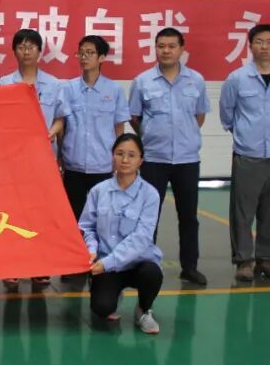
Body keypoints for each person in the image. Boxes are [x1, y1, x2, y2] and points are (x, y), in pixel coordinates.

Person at [129, 27, 211, 286]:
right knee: (148, 215)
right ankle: (146, 264)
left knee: (188, 216)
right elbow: (135, 117)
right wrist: (153, 135)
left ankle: (190, 267)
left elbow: (199, 116)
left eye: (171, 46)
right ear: (155, 48)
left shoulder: (196, 80)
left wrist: (184, 134)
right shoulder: (142, 81)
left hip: (187, 159)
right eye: (161, 46)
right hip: (154, 158)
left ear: (181, 49)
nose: (166, 51)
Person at [220, 23, 270, 283]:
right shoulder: (237, 78)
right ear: (250, 45)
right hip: (247, 155)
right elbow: (227, 113)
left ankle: (267, 260)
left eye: (269, 42)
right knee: (243, 212)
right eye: (259, 42)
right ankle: (244, 261)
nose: (264, 47)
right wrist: (245, 134)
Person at [0, 28, 65, 290]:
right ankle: (12, 265)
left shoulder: (54, 84)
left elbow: (60, 118)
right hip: (13, 161)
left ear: (40, 51)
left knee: (42, 215)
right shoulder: (4, 83)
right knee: (13, 214)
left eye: (31, 47)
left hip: (44, 160)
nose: (26, 51)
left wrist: (52, 132)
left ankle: (41, 266)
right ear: (14, 51)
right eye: (21, 47)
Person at [78, 134, 163, 334]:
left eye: (132, 155)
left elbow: (142, 237)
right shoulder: (98, 191)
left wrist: (108, 262)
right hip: (106, 264)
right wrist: (91, 250)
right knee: (102, 308)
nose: (125, 160)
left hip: (138, 263)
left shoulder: (150, 194)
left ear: (140, 160)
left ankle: (143, 310)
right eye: (120, 154)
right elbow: (87, 227)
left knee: (152, 274)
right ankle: (112, 295)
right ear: (112, 156)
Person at [58, 35, 130, 219]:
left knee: (102, 216)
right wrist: (60, 158)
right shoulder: (68, 89)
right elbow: (62, 127)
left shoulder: (114, 90)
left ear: (101, 57)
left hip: (103, 165)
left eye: (90, 53)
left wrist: (118, 159)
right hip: (73, 165)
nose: (84, 57)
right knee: (73, 216)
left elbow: (119, 129)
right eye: (81, 53)